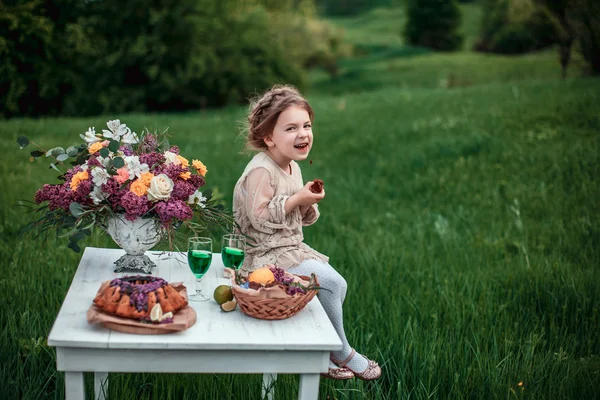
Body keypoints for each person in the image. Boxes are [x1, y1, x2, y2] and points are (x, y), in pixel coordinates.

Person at [232, 84, 381, 381]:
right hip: (259, 256)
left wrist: (306, 203)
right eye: (291, 128)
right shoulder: (261, 170)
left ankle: (319, 351)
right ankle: (341, 351)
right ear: (268, 137)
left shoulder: (292, 167)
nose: (303, 134)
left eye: (307, 125)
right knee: (330, 283)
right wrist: (297, 200)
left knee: (334, 286)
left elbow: (295, 218)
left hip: (285, 248)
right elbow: (259, 218)